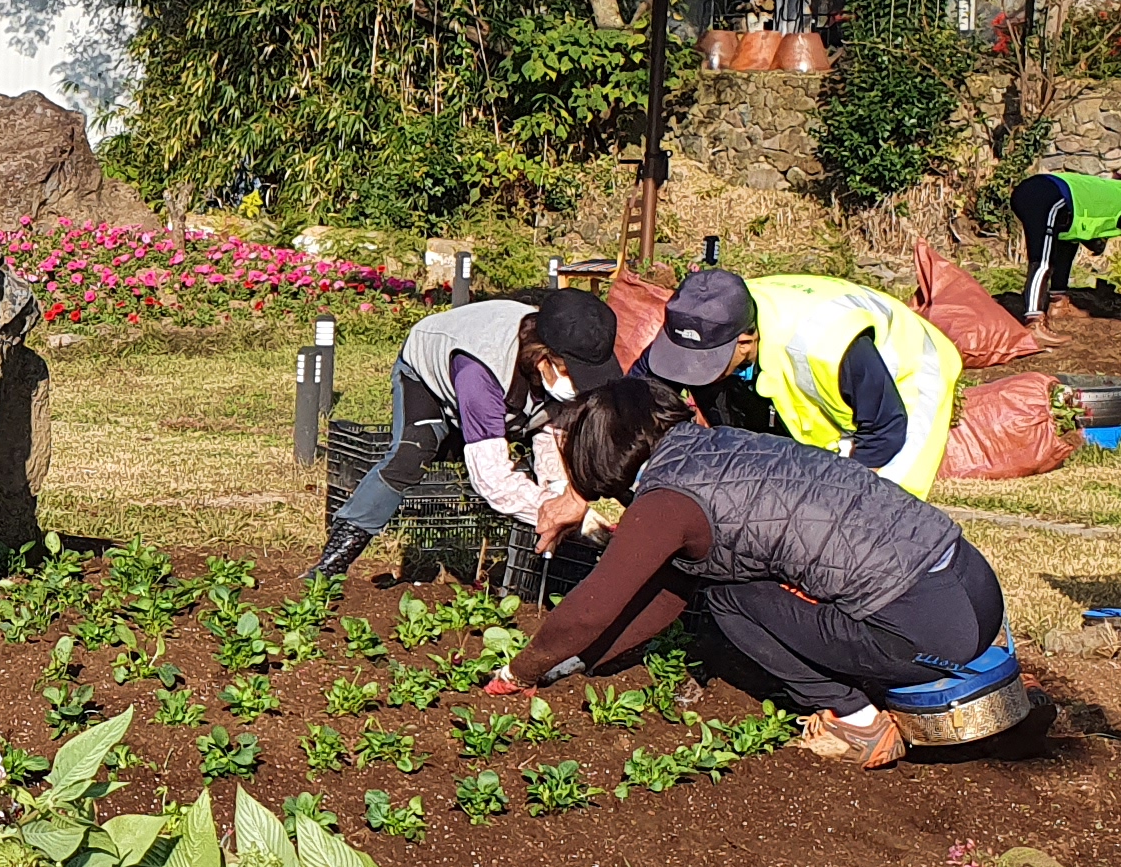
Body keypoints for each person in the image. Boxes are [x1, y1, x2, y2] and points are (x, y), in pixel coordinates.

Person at [502, 374, 1008, 769]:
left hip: (926, 628)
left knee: (727, 598)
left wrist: (519, 671)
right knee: (741, 586)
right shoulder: (723, 447)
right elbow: (668, 595)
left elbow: (593, 608)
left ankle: (856, 721)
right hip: (977, 591)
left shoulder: (666, 501)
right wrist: (579, 663)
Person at [310, 289, 625, 587]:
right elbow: (494, 480)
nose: (577, 385)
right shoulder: (480, 374)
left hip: (510, 386)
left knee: (540, 457)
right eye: (571, 373)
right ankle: (331, 563)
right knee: (411, 455)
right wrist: (570, 516)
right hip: (428, 373)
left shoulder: (566, 341)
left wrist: (561, 494)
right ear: (544, 359)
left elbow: (552, 431)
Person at [636, 265, 961, 499]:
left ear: (747, 341)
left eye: (704, 363)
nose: (689, 372)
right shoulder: (703, 320)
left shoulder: (826, 343)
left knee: (881, 510)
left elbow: (885, 430)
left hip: (908, 372)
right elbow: (635, 395)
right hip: (804, 372)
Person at [1010, 170, 1121, 321]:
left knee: (1067, 241)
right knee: (1042, 261)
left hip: (1033, 191)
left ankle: (1058, 302)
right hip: (1049, 193)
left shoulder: (1104, 194)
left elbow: (1080, 232)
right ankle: (1034, 320)